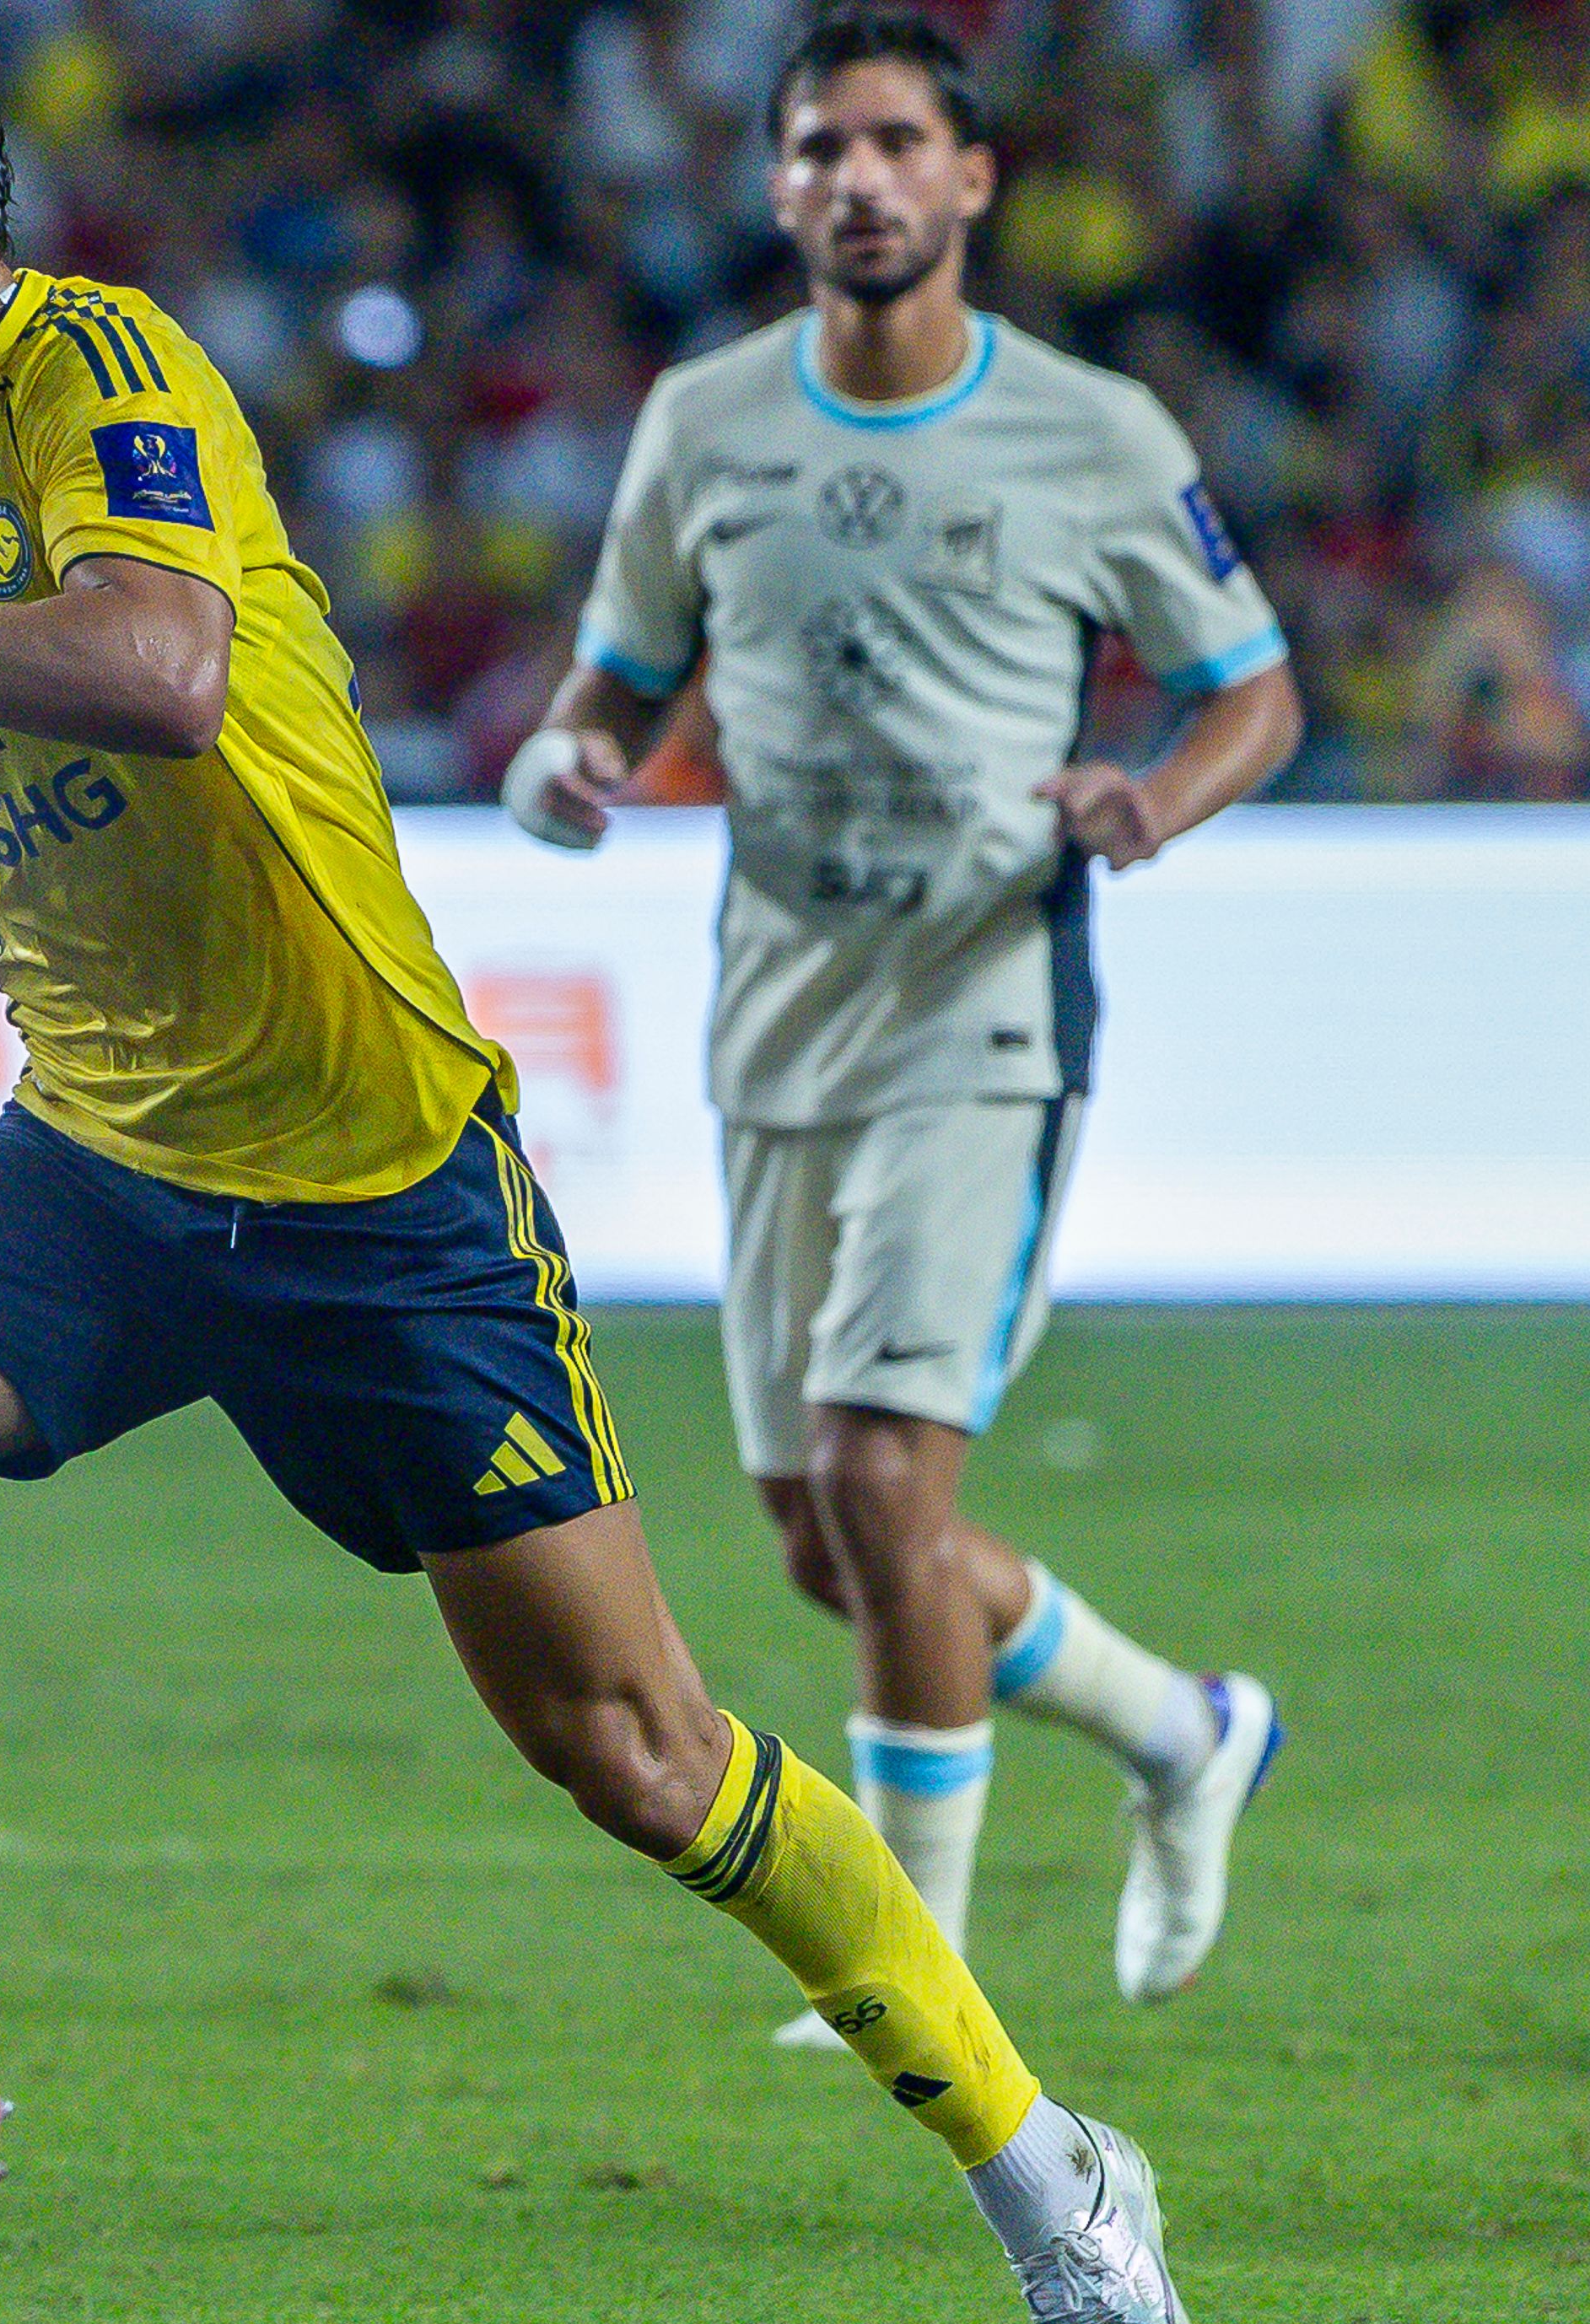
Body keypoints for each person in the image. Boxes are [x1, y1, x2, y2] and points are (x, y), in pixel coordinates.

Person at [0, 8, 1205, 2324]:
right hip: (94, 1177)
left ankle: (1050, 2169)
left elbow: (162, 669)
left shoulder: (101, 362)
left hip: (376, 1191)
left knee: (644, 1750)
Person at [506, 4, 1294, 2049]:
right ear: (775, 188)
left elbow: (1252, 691)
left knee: (880, 1478)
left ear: (968, 183)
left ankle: (907, 1971)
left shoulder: (1091, 430)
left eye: (891, 145)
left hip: (984, 1003)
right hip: (776, 1017)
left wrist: (1153, 797)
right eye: (817, 149)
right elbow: (614, 682)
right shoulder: (701, 423)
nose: (854, 179)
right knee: (830, 1539)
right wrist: (557, 763)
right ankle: (1183, 1729)